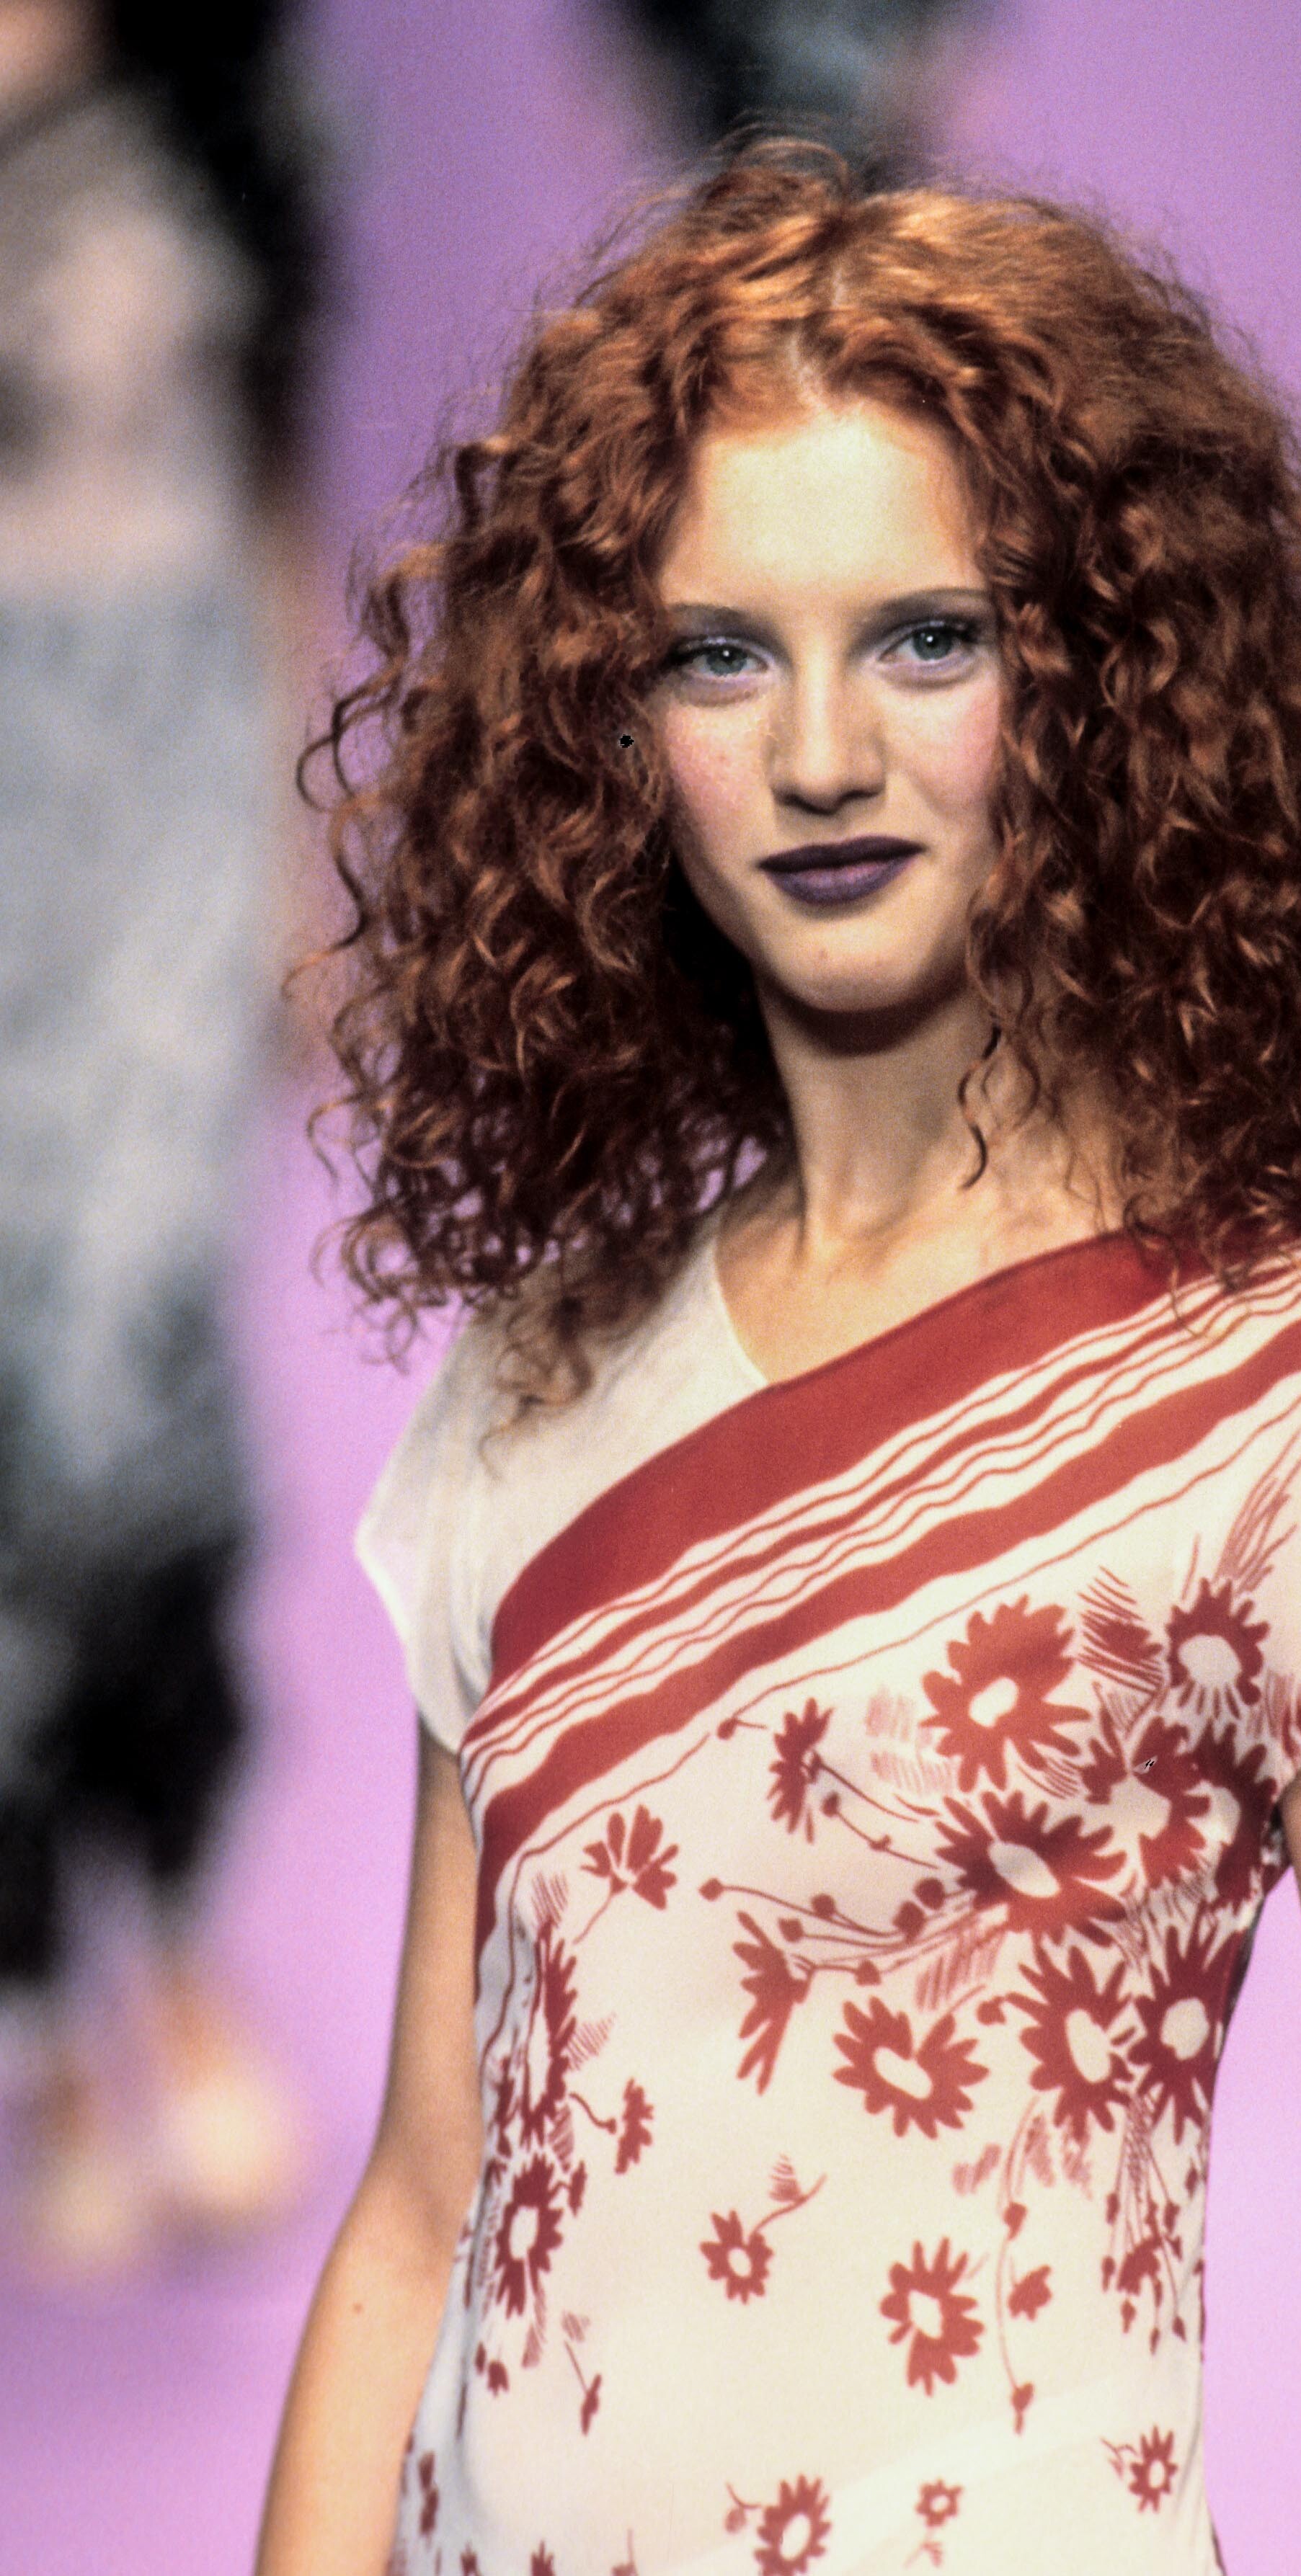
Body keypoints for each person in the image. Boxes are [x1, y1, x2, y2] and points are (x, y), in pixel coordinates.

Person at [259, 147, 1301, 2576]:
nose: (817, 754)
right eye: (717, 655)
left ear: (1096, 679)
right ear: (606, 731)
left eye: (926, 639)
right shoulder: (536, 1386)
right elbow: (417, 2208)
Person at [0, 0, 318, 2273]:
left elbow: (272, 467)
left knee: (142, 1353)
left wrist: (313, 845)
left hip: (180, 778)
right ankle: (42, 2020)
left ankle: (184, 1955)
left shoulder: (213, 111)